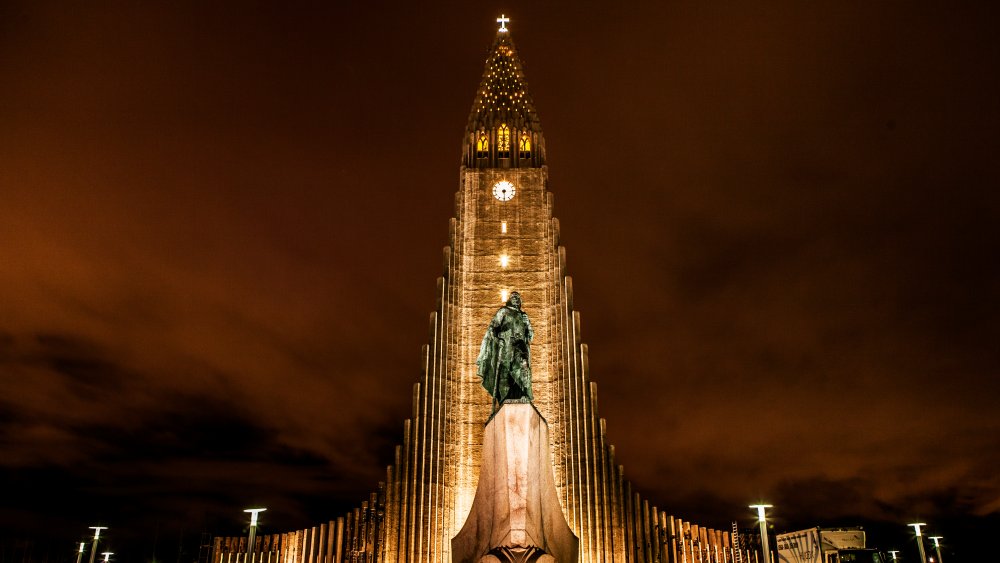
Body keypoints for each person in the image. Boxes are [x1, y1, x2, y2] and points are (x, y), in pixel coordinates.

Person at [476, 291, 534, 410]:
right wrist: (498, 339)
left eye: (518, 298)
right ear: (509, 299)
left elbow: (531, 336)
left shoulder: (523, 315)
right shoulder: (503, 311)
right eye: (513, 297)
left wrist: (527, 322)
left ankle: (523, 394)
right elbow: (493, 327)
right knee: (505, 372)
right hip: (506, 346)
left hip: (520, 346)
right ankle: (504, 398)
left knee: (523, 367)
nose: (516, 299)